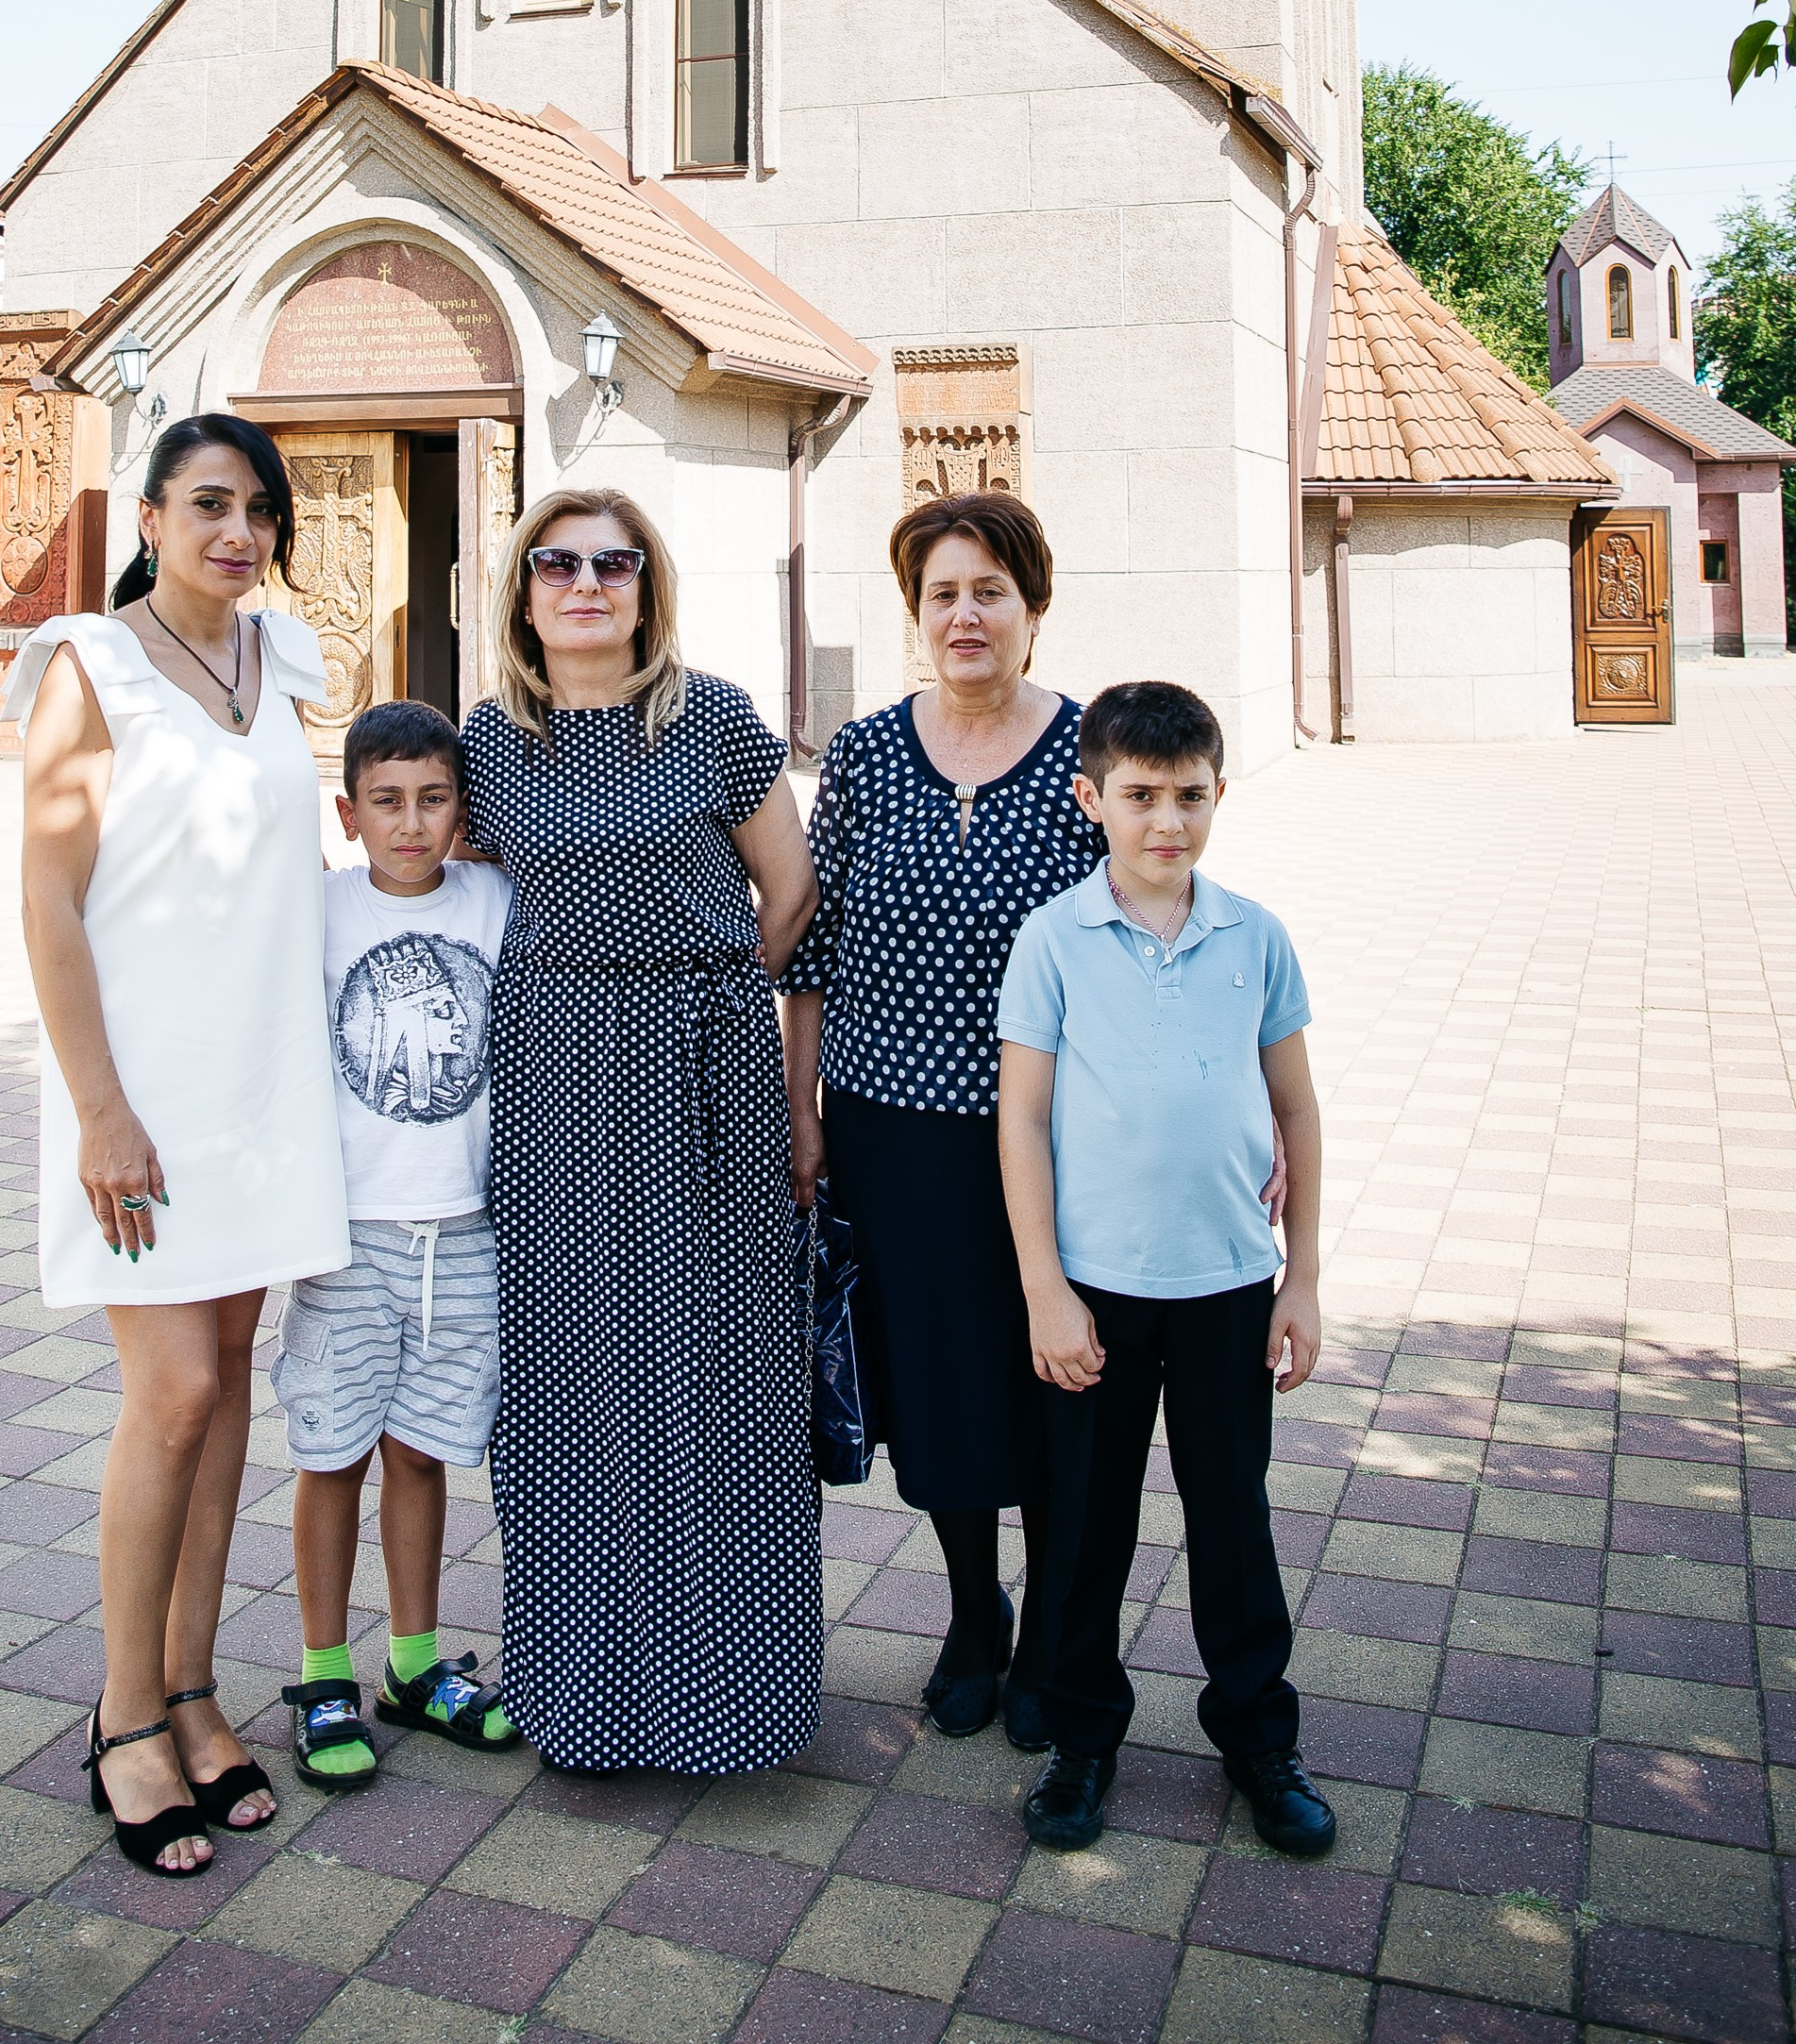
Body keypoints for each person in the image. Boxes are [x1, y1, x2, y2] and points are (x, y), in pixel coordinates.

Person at [12, 416, 348, 1877]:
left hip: (264, 1095)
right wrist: (98, 1107)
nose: (238, 531)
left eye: (259, 509)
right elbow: (47, 896)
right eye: (209, 504)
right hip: (136, 1101)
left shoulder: (291, 666)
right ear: (149, 514)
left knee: (225, 1406)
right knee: (172, 1395)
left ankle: (201, 1690)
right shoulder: (87, 667)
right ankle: (122, 1716)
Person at [464, 484, 824, 1774]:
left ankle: (731, 1703)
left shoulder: (716, 719)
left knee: (720, 1378)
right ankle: (588, 1701)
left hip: (701, 1070)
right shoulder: (492, 742)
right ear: (523, 589)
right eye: (556, 563)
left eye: (615, 565)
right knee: (573, 1382)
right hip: (555, 1080)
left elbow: (788, 893)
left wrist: (710, 998)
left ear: (648, 587)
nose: (586, 585)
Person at [779, 493, 1101, 1744]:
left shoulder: (1088, 754)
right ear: (917, 613)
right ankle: (978, 1614)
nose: (965, 617)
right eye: (942, 595)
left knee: (1057, 1381)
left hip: (1052, 1135)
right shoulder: (861, 754)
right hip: (890, 1128)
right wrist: (801, 1109)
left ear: (1033, 605)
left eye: (989, 593)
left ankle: (1061, 1637)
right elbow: (811, 944)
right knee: (940, 1388)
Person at [999, 677, 1332, 1858]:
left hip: (1229, 1290)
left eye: (1190, 796)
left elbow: (1295, 1110)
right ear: (1090, 798)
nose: (1166, 824)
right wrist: (1045, 1285)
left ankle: (1257, 1739)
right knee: (1085, 1531)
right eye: (1139, 796)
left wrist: (1299, 1280)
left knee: (1233, 1524)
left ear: (1219, 793)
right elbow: (1022, 1123)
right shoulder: (1053, 941)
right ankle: (1083, 1740)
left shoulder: (1257, 937)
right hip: (1096, 1294)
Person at [273, 700, 519, 1785]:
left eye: (432, 801)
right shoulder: (316, 914)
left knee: (422, 1453)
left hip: (466, 1233)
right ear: (350, 812)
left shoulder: (497, 903)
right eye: (387, 803)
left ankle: (414, 1665)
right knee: (333, 1456)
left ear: (464, 811)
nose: (411, 825)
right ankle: (326, 1676)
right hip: (348, 1238)